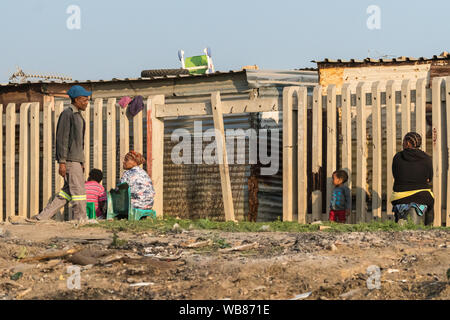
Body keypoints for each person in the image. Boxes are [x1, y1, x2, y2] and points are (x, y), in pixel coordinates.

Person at [31, 85, 91, 222]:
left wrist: (81, 161)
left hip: (76, 160)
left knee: (67, 192)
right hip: (70, 160)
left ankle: (42, 217)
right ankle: (80, 219)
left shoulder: (78, 115)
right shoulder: (67, 114)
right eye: (84, 100)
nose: (87, 102)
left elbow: (78, 142)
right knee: (79, 191)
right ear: (76, 100)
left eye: (87, 100)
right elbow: (62, 139)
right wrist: (62, 162)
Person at [391, 132, 434, 225]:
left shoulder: (397, 157)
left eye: (403, 141)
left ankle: (398, 221)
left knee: (396, 205)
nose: (402, 144)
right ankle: (428, 227)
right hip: (422, 196)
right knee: (430, 203)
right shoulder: (427, 158)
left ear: (408, 143)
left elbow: (395, 175)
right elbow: (429, 178)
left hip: (401, 197)